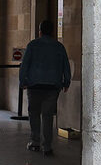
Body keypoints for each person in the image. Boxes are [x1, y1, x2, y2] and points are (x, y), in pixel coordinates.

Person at [18, 19, 71, 156]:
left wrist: (22, 81)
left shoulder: (32, 45)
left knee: (34, 113)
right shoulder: (59, 47)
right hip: (53, 86)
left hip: (34, 85)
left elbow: (25, 65)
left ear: (40, 31)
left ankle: (35, 142)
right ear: (52, 32)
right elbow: (66, 66)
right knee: (48, 116)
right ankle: (47, 147)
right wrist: (66, 82)